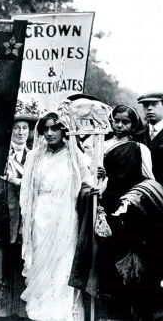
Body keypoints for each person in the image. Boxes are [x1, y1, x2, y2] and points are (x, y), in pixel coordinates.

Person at [20, 112, 90, 321]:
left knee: (62, 265)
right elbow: (26, 190)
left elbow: (87, 183)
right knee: (41, 264)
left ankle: (61, 315)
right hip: (40, 216)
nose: (50, 133)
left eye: (54, 128)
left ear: (63, 130)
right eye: (46, 129)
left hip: (66, 216)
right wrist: (28, 217)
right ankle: (40, 314)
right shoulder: (35, 156)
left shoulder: (74, 155)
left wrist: (98, 179)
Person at [94, 105, 154, 320]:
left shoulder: (139, 149)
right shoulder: (101, 144)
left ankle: (125, 312)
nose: (119, 125)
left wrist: (132, 199)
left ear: (133, 125)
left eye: (125, 122)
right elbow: (92, 180)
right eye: (116, 120)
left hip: (127, 212)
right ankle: (105, 311)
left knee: (124, 259)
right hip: (102, 209)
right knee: (102, 259)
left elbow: (149, 181)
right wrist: (98, 174)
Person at [0, 108, 37, 318]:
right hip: (2, 214)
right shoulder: (0, 156)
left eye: (24, 128)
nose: (20, 132)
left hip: (26, 215)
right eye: (16, 128)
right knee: (1, 262)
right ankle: (0, 308)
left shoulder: (33, 155)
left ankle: (21, 308)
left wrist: (20, 183)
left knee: (23, 261)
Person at [137, 92, 163, 184]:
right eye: (146, 105)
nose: (149, 108)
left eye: (154, 104)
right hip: (142, 190)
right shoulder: (137, 135)